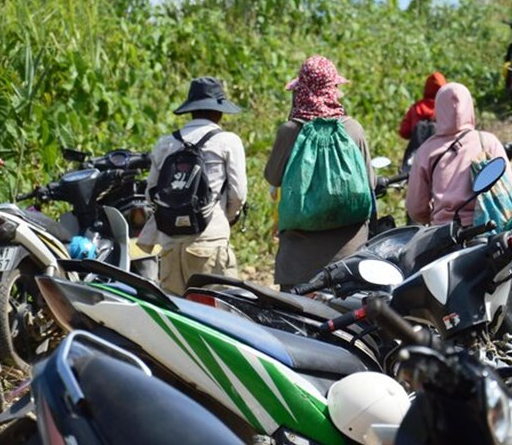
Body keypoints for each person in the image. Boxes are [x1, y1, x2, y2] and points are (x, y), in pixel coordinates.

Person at [264, 55, 375, 290]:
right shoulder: (352, 129)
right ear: (333, 90)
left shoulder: (289, 131)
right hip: (349, 259)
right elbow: (370, 184)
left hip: (298, 263)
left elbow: (272, 177)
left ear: (300, 91)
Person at [139, 77, 247, 296]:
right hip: (209, 240)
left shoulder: (166, 143)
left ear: (191, 110)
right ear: (219, 111)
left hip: (170, 243)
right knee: (217, 308)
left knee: (177, 309)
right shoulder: (228, 141)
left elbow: (151, 194)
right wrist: (226, 217)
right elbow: (237, 193)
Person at [405, 82, 512, 226]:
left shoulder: (426, 151)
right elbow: (509, 187)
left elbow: (416, 208)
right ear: (469, 107)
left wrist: (435, 218)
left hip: (445, 232)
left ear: (438, 109)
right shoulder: (488, 141)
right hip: (489, 227)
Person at [398, 72, 447, 140]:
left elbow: (404, 131)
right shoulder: (447, 108)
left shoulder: (416, 108)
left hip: (418, 146)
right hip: (441, 145)